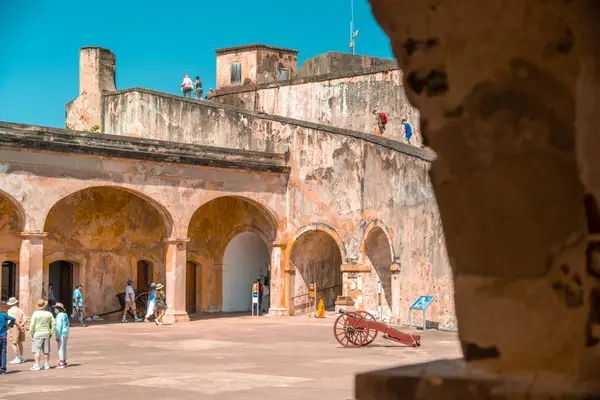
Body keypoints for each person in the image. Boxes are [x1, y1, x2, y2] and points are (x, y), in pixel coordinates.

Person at [29, 299, 55, 371]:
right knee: (46, 351)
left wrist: (31, 333)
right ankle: (46, 364)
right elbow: (53, 323)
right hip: (46, 333)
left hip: (37, 334)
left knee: (37, 350)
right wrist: (51, 332)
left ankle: (37, 364)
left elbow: (32, 325)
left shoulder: (35, 314)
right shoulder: (49, 314)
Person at [7, 297, 26, 365]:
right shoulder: (20, 310)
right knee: (20, 342)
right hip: (21, 326)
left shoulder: (10, 310)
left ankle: (16, 358)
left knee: (13, 343)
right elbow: (25, 318)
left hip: (14, 327)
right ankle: (21, 356)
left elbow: (13, 320)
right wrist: (22, 325)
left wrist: (19, 326)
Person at [53, 303, 70, 369]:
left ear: (58, 309)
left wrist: (57, 336)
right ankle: (64, 361)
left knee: (60, 348)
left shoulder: (59, 316)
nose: (54, 310)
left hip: (61, 334)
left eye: (55, 309)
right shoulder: (65, 315)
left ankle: (61, 362)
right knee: (64, 347)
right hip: (65, 333)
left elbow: (58, 326)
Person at [0, 309, 16, 374]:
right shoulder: (3, 315)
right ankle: (3, 369)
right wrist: (9, 325)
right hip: (3, 337)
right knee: (3, 352)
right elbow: (13, 319)